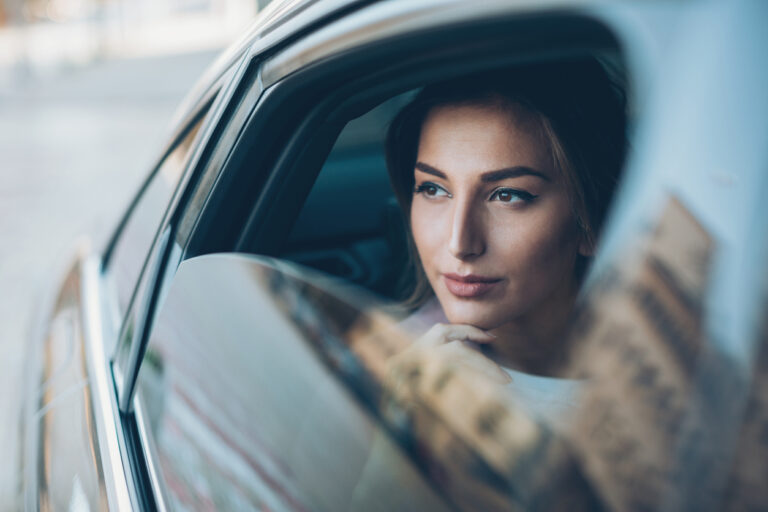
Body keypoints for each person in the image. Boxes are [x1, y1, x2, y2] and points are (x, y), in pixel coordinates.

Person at [384, 58, 627, 424]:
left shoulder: (678, 374)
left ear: (592, 221)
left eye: (508, 195)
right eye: (433, 188)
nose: (459, 243)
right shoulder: (385, 374)